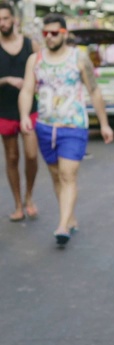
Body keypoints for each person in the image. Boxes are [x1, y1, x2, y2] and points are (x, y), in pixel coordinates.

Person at [18, 13, 114, 246]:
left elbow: (94, 91)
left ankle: (62, 226)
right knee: (55, 175)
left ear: (64, 34)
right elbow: (27, 90)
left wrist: (104, 124)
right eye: (46, 34)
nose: (49, 38)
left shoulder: (79, 59)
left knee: (68, 174)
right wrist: (24, 117)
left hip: (73, 126)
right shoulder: (35, 60)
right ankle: (69, 216)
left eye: (55, 33)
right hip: (44, 127)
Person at [0, 1, 39, 222]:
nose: (2, 23)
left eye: (5, 18)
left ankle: (29, 196)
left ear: (14, 20)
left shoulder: (30, 45)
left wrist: (32, 83)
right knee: (12, 157)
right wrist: (6, 80)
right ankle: (17, 204)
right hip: (4, 110)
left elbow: (44, 72)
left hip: (30, 109)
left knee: (32, 155)